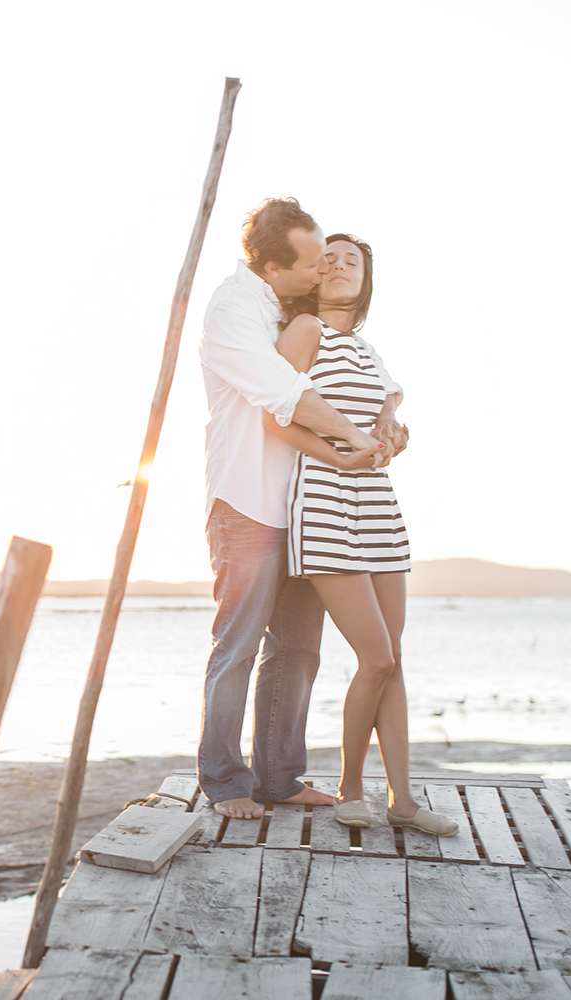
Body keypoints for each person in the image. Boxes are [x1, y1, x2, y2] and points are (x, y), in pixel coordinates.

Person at [197, 197, 405, 821]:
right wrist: (354, 441)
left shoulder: (291, 311)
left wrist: (388, 427)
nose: (323, 270)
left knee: (297, 650)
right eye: (314, 261)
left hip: (305, 510)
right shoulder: (235, 309)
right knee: (236, 644)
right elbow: (283, 396)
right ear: (273, 268)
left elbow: (369, 388)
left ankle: (280, 778)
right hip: (250, 500)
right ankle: (226, 780)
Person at [262, 233, 458, 835]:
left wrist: (395, 428)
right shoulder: (304, 333)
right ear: (314, 274)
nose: (343, 266)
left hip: (378, 507)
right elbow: (275, 417)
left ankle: (402, 800)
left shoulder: (367, 348)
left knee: (392, 660)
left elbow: (389, 409)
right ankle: (351, 787)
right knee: (373, 657)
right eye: (333, 258)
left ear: (365, 280)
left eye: (356, 261)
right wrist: (337, 455)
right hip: (324, 505)